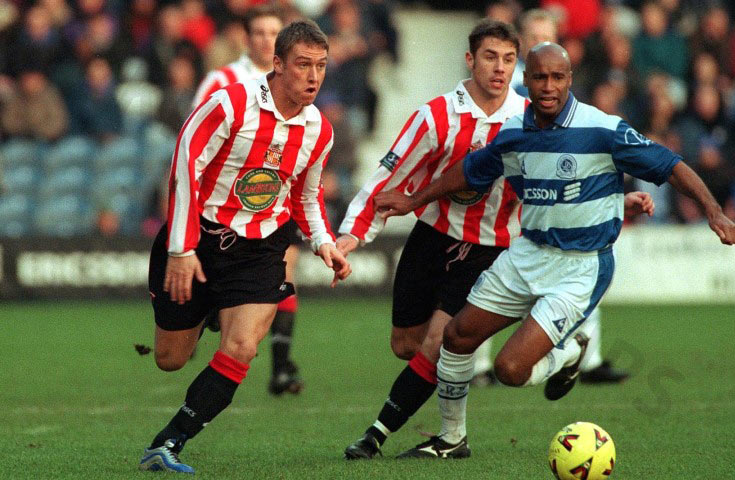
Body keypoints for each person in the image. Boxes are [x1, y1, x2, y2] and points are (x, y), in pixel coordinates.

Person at [374, 42, 735, 458]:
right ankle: (452, 438)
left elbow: (669, 164)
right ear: (526, 81)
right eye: (540, 77)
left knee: (510, 370)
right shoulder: (515, 132)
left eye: (557, 77)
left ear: (569, 79)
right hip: (528, 253)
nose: (548, 86)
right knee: (457, 337)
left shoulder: (602, 128)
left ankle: (570, 354)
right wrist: (413, 199)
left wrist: (714, 212)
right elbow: (469, 172)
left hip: (579, 268)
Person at [337, 20, 652, 460]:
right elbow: (388, 178)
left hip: (491, 248)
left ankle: (378, 435)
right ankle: (455, 419)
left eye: (508, 59)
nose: (499, 68)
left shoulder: (530, 119)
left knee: (439, 342)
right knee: (406, 345)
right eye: (490, 57)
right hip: (432, 236)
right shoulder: (436, 116)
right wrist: (352, 236)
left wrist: (617, 200)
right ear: (470, 60)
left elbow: (568, 182)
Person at [139, 20, 351, 474]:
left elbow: (305, 195)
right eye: (302, 65)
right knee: (170, 360)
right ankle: (208, 310)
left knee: (242, 348)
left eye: (321, 66)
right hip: (200, 241)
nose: (313, 77)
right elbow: (183, 169)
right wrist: (181, 248)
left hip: (260, 250)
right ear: (277, 64)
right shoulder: (230, 104)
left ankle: (168, 443)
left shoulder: (320, 130)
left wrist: (323, 242)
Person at [511, 7, 631, 386]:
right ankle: (482, 365)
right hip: (513, 195)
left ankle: (587, 356)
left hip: (554, 196)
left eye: (550, 37)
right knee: (491, 277)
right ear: (521, 41)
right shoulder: (511, 83)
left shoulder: (555, 81)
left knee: (581, 267)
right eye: (535, 37)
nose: (543, 44)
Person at [193, 5, 305, 396]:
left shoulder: (297, 79)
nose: (265, 39)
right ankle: (198, 321)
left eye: (273, 32)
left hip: (277, 200)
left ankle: (281, 368)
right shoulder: (223, 80)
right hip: (224, 207)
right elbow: (194, 140)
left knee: (284, 274)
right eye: (258, 31)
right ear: (246, 36)